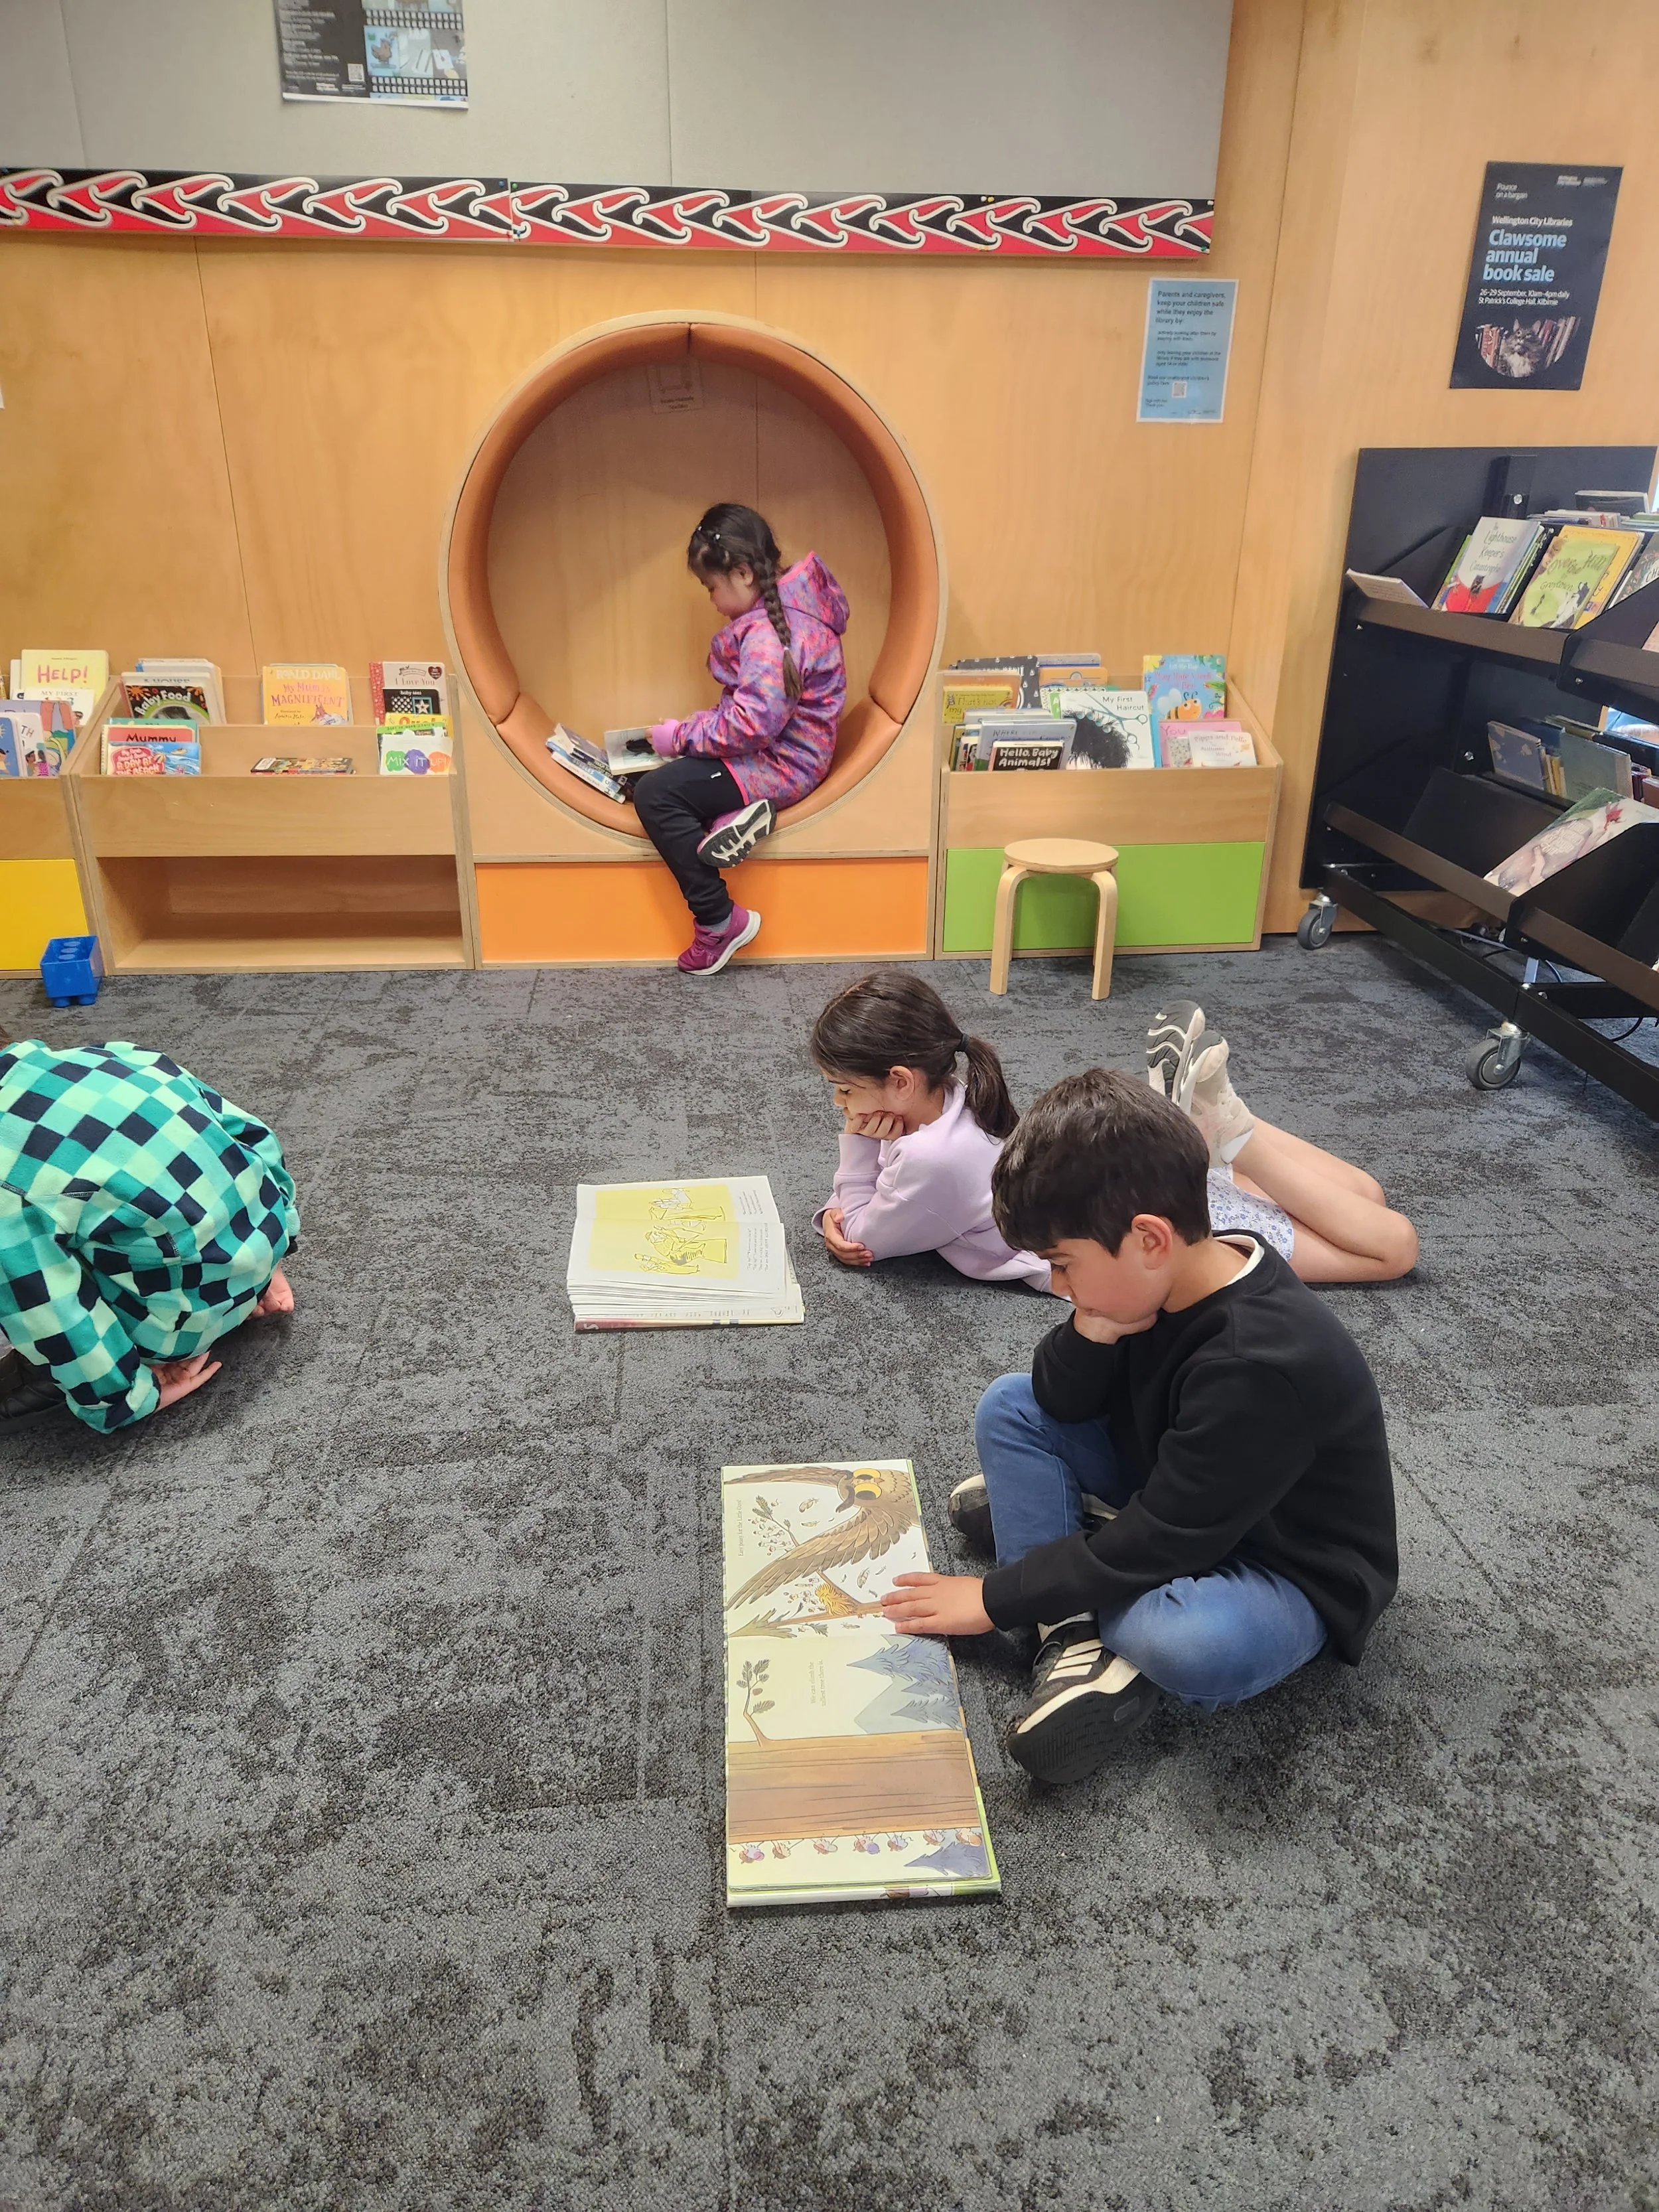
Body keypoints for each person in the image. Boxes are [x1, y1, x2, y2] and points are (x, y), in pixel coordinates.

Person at [880, 1069, 1399, 1787]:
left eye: (1064, 1265)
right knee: (1010, 1403)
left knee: (1182, 1641)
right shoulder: (1158, 1278)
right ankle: (1067, 1624)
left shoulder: (1257, 1362)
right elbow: (1058, 1404)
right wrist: (1089, 1331)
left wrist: (995, 1598)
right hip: (1179, 1488)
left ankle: (1069, 1550)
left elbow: (1166, 1538)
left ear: (1149, 1238)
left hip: (1284, 1566)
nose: (1059, 1288)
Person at [0, 1036, 299, 1434]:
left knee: (23, 1255)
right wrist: (274, 1242)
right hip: (256, 1241)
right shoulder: (119, 1055)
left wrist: (126, 1399)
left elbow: (50, 1310)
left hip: (179, 1324)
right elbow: (251, 1136)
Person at [634, 503, 848, 976]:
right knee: (678, 778)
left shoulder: (772, 636)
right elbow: (752, 711)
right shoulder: (784, 620)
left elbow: (752, 724)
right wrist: (687, 733)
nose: (711, 599)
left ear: (743, 573)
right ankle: (732, 819)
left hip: (781, 763)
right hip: (787, 755)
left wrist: (681, 737)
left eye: (711, 587)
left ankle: (717, 920)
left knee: (656, 793)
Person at [1146, 999, 1418, 1285]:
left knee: (1369, 1195)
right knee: (1396, 1247)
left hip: (1153, 1186)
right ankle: (1222, 1126)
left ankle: (1216, 1123)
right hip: (1175, 1211)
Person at [808, 971, 1048, 1289]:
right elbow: (884, 1186)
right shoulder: (947, 1094)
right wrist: (836, 1209)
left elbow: (861, 1240)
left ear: (901, 1081)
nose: (839, 1102)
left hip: (1063, 1271)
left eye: (846, 1090)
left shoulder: (929, 1157)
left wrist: (858, 1145)